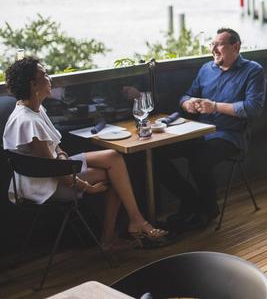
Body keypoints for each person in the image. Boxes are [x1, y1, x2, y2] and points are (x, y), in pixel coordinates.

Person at [3, 57, 167, 249]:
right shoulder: (27, 121)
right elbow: (56, 172)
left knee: (114, 157)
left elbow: (56, 151)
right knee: (115, 178)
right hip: (43, 184)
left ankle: (134, 221)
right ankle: (114, 235)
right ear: (33, 84)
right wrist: (87, 188)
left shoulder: (35, 109)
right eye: (45, 75)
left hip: (57, 168)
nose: (50, 78)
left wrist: (63, 157)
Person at [154, 28, 266, 231]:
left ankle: (207, 210)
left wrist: (214, 106)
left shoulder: (253, 70)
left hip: (231, 136)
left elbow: (252, 108)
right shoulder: (206, 69)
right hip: (198, 132)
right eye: (212, 44)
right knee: (156, 154)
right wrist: (187, 103)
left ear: (236, 47)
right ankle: (190, 201)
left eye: (219, 44)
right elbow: (186, 96)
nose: (213, 49)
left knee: (199, 159)